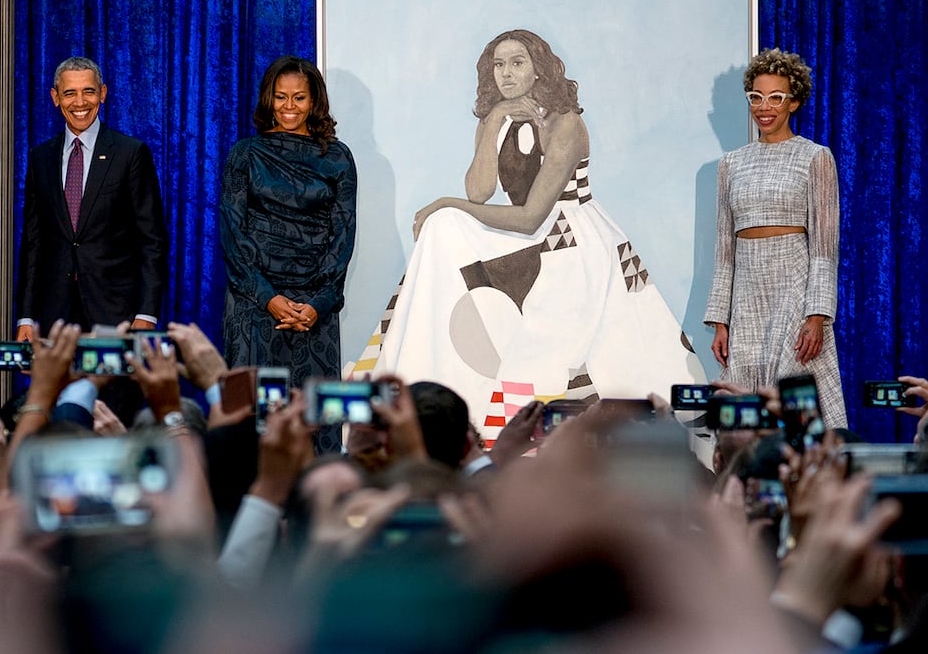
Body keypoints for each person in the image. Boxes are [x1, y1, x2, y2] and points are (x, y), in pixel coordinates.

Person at [358, 29, 702, 446]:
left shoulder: (566, 123)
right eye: (498, 65)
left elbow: (530, 216)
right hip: (527, 235)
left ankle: (562, 432)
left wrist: (445, 202)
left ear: (539, 68)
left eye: (517, 62)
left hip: (569, 238)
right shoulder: (494, 119)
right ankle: (428, 369)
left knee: (559, 345)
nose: (506, 73)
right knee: (442, 229)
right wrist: (495, 123)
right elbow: (479, 192)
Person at [705, 47, 846, 426]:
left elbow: (824, 247)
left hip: (794, 286)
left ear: (793, 102)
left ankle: (808, 479)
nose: (764, 107)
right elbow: (723, 250)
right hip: (746, 291)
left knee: (795, 395)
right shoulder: (730, 164)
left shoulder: (815, 157)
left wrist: (817, 315)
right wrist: (721, 319)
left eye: (775, 97)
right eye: (756, 97)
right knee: (744, 405)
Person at [220, 56, 357, 390]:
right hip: (255, 303)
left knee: (313, 420)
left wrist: (318, 304)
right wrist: (269, 298)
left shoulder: (338, 157)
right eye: (281, 97)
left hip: (314, 310)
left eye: (299, 97)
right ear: (270, 98)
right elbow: (232, 234)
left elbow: (343, 236)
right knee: (251, 421)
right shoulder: (245, 154)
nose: (289, 106)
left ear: (314, 101)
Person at [15, 57, 168, 339]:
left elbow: (152, 240)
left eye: (89, 91)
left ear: (103, 94)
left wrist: (146, 314)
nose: (80, 102)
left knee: (114, 386)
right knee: (56, 386)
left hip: (117, 314)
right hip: (55, 315)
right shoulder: (41, 158)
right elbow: (33, 243)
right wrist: (25, 316)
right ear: (55, 98)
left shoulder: (130, 153)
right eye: (70, 93)